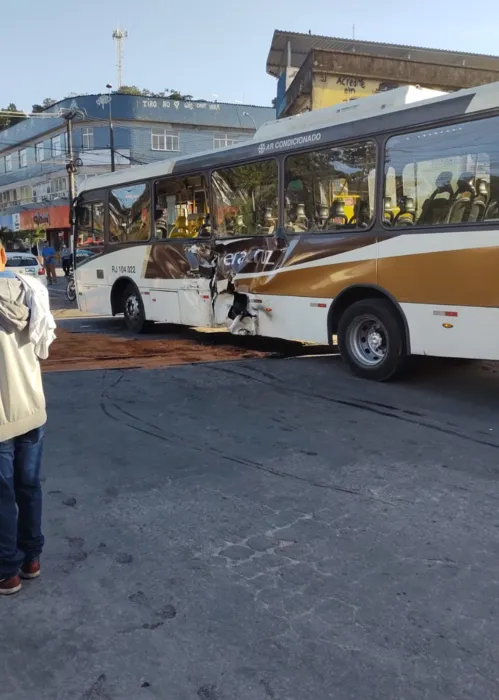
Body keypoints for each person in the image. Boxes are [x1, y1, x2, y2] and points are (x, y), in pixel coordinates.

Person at [0, 241, 55, 595]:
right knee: (29, 486)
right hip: (33, 407)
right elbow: (43, 346)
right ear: (3, 256)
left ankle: (7, 571)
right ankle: (31, 558)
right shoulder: (31, 289)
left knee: (2, 493)